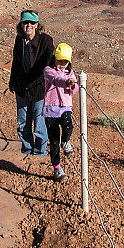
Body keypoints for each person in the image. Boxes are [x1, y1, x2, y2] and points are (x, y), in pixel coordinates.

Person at [8, 10, 53, 156]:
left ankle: (40, 152)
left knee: (39, 123)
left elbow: (49, 59)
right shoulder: (19, 40)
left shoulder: (45, 41)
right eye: (25, 22)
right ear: (21, 24)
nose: (28, 25)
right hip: (22, 87)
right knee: (23, 122)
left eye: (32, 23)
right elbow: (16, 62)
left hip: (38, 88)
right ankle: (27, 150)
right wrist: (12, 81)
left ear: (37, 25)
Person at [43, 42, 77, 181]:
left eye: (65, 61)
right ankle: (57, 168)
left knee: (68, 126)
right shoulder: (48, 70)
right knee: (54, 141)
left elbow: (74, 90)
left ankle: (66, 141)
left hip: (65, 107)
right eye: (60, 61)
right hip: (50, 109)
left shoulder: (71, 73)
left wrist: (72, 84)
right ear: (54, 59)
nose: (62, 64)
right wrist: (67, 81)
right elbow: (56, 79)